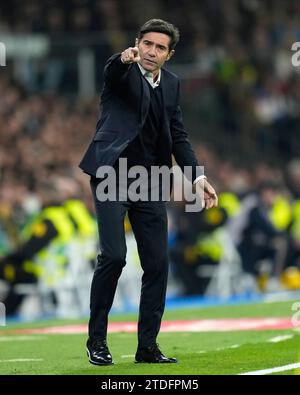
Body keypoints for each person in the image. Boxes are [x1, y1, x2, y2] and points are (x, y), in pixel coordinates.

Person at [79, 19, 218, 365]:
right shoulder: (123, 71)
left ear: (169, 55)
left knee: (157, 264)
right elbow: (112, 71)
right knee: (113, 256)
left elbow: (178, 135)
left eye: (159, 47)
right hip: (112, 175)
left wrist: (197, 178)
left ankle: (147, 347)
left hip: (151, 180)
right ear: (136, 43)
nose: (151, 51)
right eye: (147, 44)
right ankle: (96, 341)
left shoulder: (171, 84)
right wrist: (122, 59)